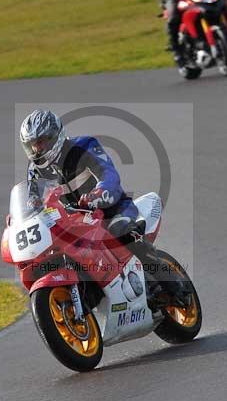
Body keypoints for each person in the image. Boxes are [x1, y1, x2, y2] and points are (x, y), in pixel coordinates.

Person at [19, 109, 188, 298]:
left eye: (40, 142)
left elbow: (109, 174)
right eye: (32, 145)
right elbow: (32, 200)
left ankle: (174, 286)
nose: (37, 150)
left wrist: (97, 194)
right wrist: (23, 216)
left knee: (121, 230)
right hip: (74, 222)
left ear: (54, 137)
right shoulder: (35, 170)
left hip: (110, 208)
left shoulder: (82, 146)